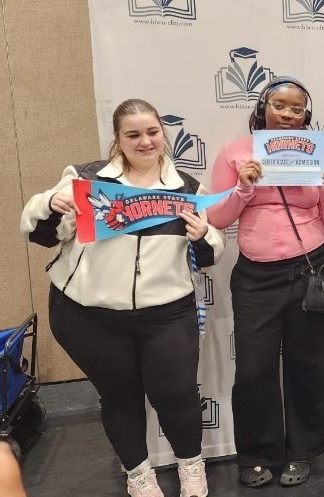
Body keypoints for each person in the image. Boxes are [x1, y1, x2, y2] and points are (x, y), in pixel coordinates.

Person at [21, 98, 225, 497]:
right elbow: (41, 234)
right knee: (119, 396)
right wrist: (51, 203)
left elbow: (212, 253)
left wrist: (203, 237)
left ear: (162, 134)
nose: (145, 141)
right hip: (89, 314)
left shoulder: (187, 187)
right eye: (133, 134)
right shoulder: (87, 179)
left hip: (167, 314)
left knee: (178, 394)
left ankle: (191, 467)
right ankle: (139, 474)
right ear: (118, 139)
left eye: (152, 132)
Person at [207, 76, 324, 488]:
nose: (288, 114)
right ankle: (257, 453)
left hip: (313, 267)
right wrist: (244, 189)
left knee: (310, 365)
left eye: (297, 109)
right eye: (280, 106)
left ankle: (302, 451)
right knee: (253, 370)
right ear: (262, 108)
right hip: (256, 276)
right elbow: (217, 218)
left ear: (307, 116)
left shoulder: (323, 156)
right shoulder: (236, 154)